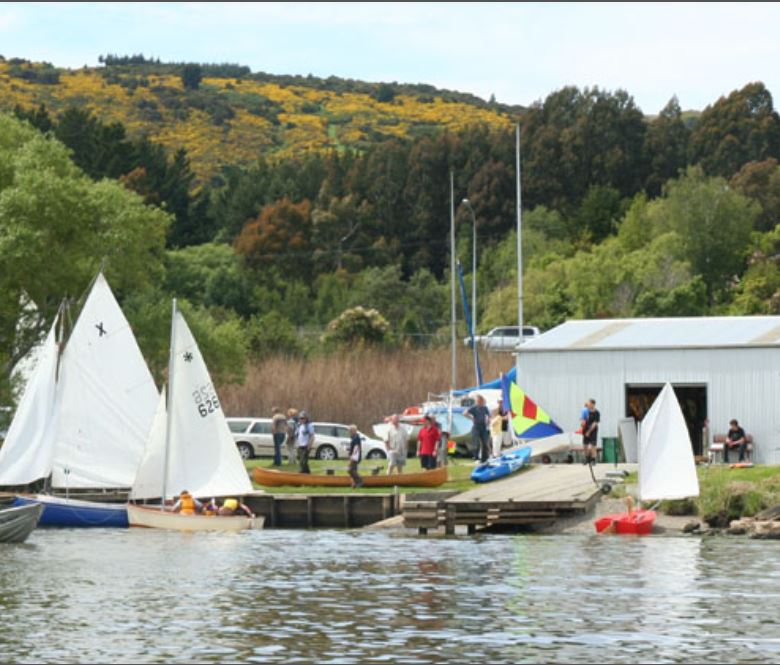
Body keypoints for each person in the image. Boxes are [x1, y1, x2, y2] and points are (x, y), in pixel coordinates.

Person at [466, 394, 491, 463]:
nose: (479, 402)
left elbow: (488, 415)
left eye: (480, 401)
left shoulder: (484, 408)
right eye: (478, 401)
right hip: (476, 426)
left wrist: (488, 420)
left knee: (485, 442)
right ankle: (476, 457)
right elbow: (465, 413)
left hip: (483, 427)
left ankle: (484, 458)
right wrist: (471, 418)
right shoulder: (474, 408)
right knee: (476, 442)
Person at [582, 399, 600, 465]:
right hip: (585, 429)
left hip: (593, 430)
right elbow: (582, 419)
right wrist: (582, 423)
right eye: (587, 404)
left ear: (593, 404)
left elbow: (595, 423)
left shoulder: (596, 412)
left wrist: (589, 432)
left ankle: (593, 460)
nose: (588, 405)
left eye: (589, 404)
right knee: (585, 445)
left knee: (593, 445)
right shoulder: (585, 411)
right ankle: (587, 458)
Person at [347, 424, 363, 489]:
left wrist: (352, 456)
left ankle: (359, 481)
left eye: (349, 431)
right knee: (354, 470)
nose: (349, 432)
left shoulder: (356, 437)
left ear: (353, 431)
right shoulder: (354, 437)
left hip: (355, 457)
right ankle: (354, 484)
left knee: (350, 470)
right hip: (354, 456)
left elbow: (356, 447)